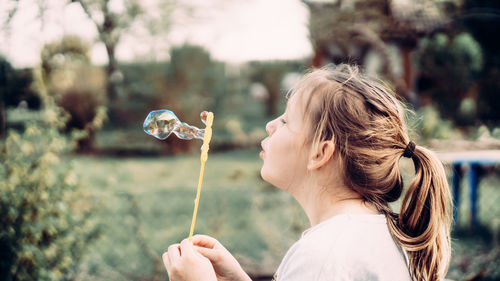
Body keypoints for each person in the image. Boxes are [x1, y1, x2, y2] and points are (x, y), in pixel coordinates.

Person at [162, 64, 453, 281]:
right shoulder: (369, 233)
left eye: (287, 120)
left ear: (321, 153)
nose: (270, 125)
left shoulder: (325, 256)